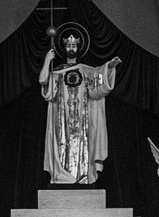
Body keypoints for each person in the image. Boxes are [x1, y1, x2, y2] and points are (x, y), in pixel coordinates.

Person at [39, 32, 121, 185]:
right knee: (62, 144)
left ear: (78, 49)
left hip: (82, 120)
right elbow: (43, 80)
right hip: (62, 120)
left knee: (84, 145)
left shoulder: (86, 71)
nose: (71, 48)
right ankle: (62, 177)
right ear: (64, 49)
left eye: (74, 46)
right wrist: (47, 60)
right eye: (68, 46)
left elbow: (99, 81)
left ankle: (83, 177)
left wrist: (109, 67)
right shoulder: (57, 72)